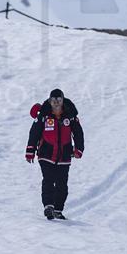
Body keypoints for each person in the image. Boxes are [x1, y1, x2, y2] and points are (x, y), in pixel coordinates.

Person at [25, 88, 84, 220]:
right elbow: (34, 133)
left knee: (62, 184)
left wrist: (78, 149)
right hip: (46, 154)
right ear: (49, 101)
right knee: (48, 180)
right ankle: (48, 206)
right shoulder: (44, 116)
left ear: (63, 101)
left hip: (64, 156)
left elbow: (78, 133)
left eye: (58, 100)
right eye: (53, 100)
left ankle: (58, 209)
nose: (56, 103)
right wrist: (30, 150)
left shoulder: (70, 116)